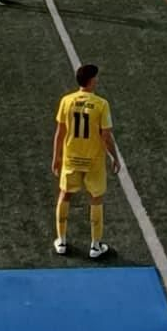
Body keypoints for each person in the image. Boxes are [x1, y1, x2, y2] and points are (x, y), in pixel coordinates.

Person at [52, 62, 118, 260]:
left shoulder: (66, 101)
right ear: (90, 81)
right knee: (96, 198)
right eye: (96, 77)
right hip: (93, 160)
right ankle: (95, 246)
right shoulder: (101, 104)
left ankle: (61, 241)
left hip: (72, 158)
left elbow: (60, 132)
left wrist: (56, 157)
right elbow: (105, 135)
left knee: (65, 195)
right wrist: (114, 156)